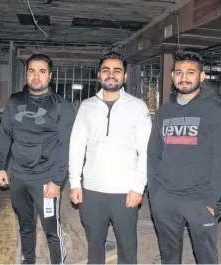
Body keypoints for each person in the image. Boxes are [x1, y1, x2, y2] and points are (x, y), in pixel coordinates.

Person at [147, 49, 221, 264]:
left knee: (206, 258)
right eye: (178, 72)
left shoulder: (216, 110)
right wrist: (155, 194)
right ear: (173, 75)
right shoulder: (164, 111)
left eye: (190, 72)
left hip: (200, 199)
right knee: (169, 257)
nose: (183, 77)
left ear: (201, 76)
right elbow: (153, 153)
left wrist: (211, 200)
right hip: (165, 198)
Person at [69, 52, 152, 264]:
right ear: (99, 75)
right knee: (94, 246)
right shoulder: (87, 107)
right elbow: (76, 147)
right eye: (106, 70)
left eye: (117, 70)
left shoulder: (137, 107)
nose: (111, 74)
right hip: (92, 190)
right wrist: (75, 183)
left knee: (127, 247)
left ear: (124, 76)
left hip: (125, 191)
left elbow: (146, 151)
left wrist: (138, 187)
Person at [0, 54, 75, 264]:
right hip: (19, 177)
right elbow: (5, 134)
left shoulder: (61, 106)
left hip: (46, 179)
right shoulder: (14, 101)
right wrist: (1, 167)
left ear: (50, 76)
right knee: (25, 225)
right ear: (27, 74)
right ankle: (27, 261)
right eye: (31, 71)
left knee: (51, 229)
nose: (36, 76)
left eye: (41, 71)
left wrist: (58, 181)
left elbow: (67, 146)